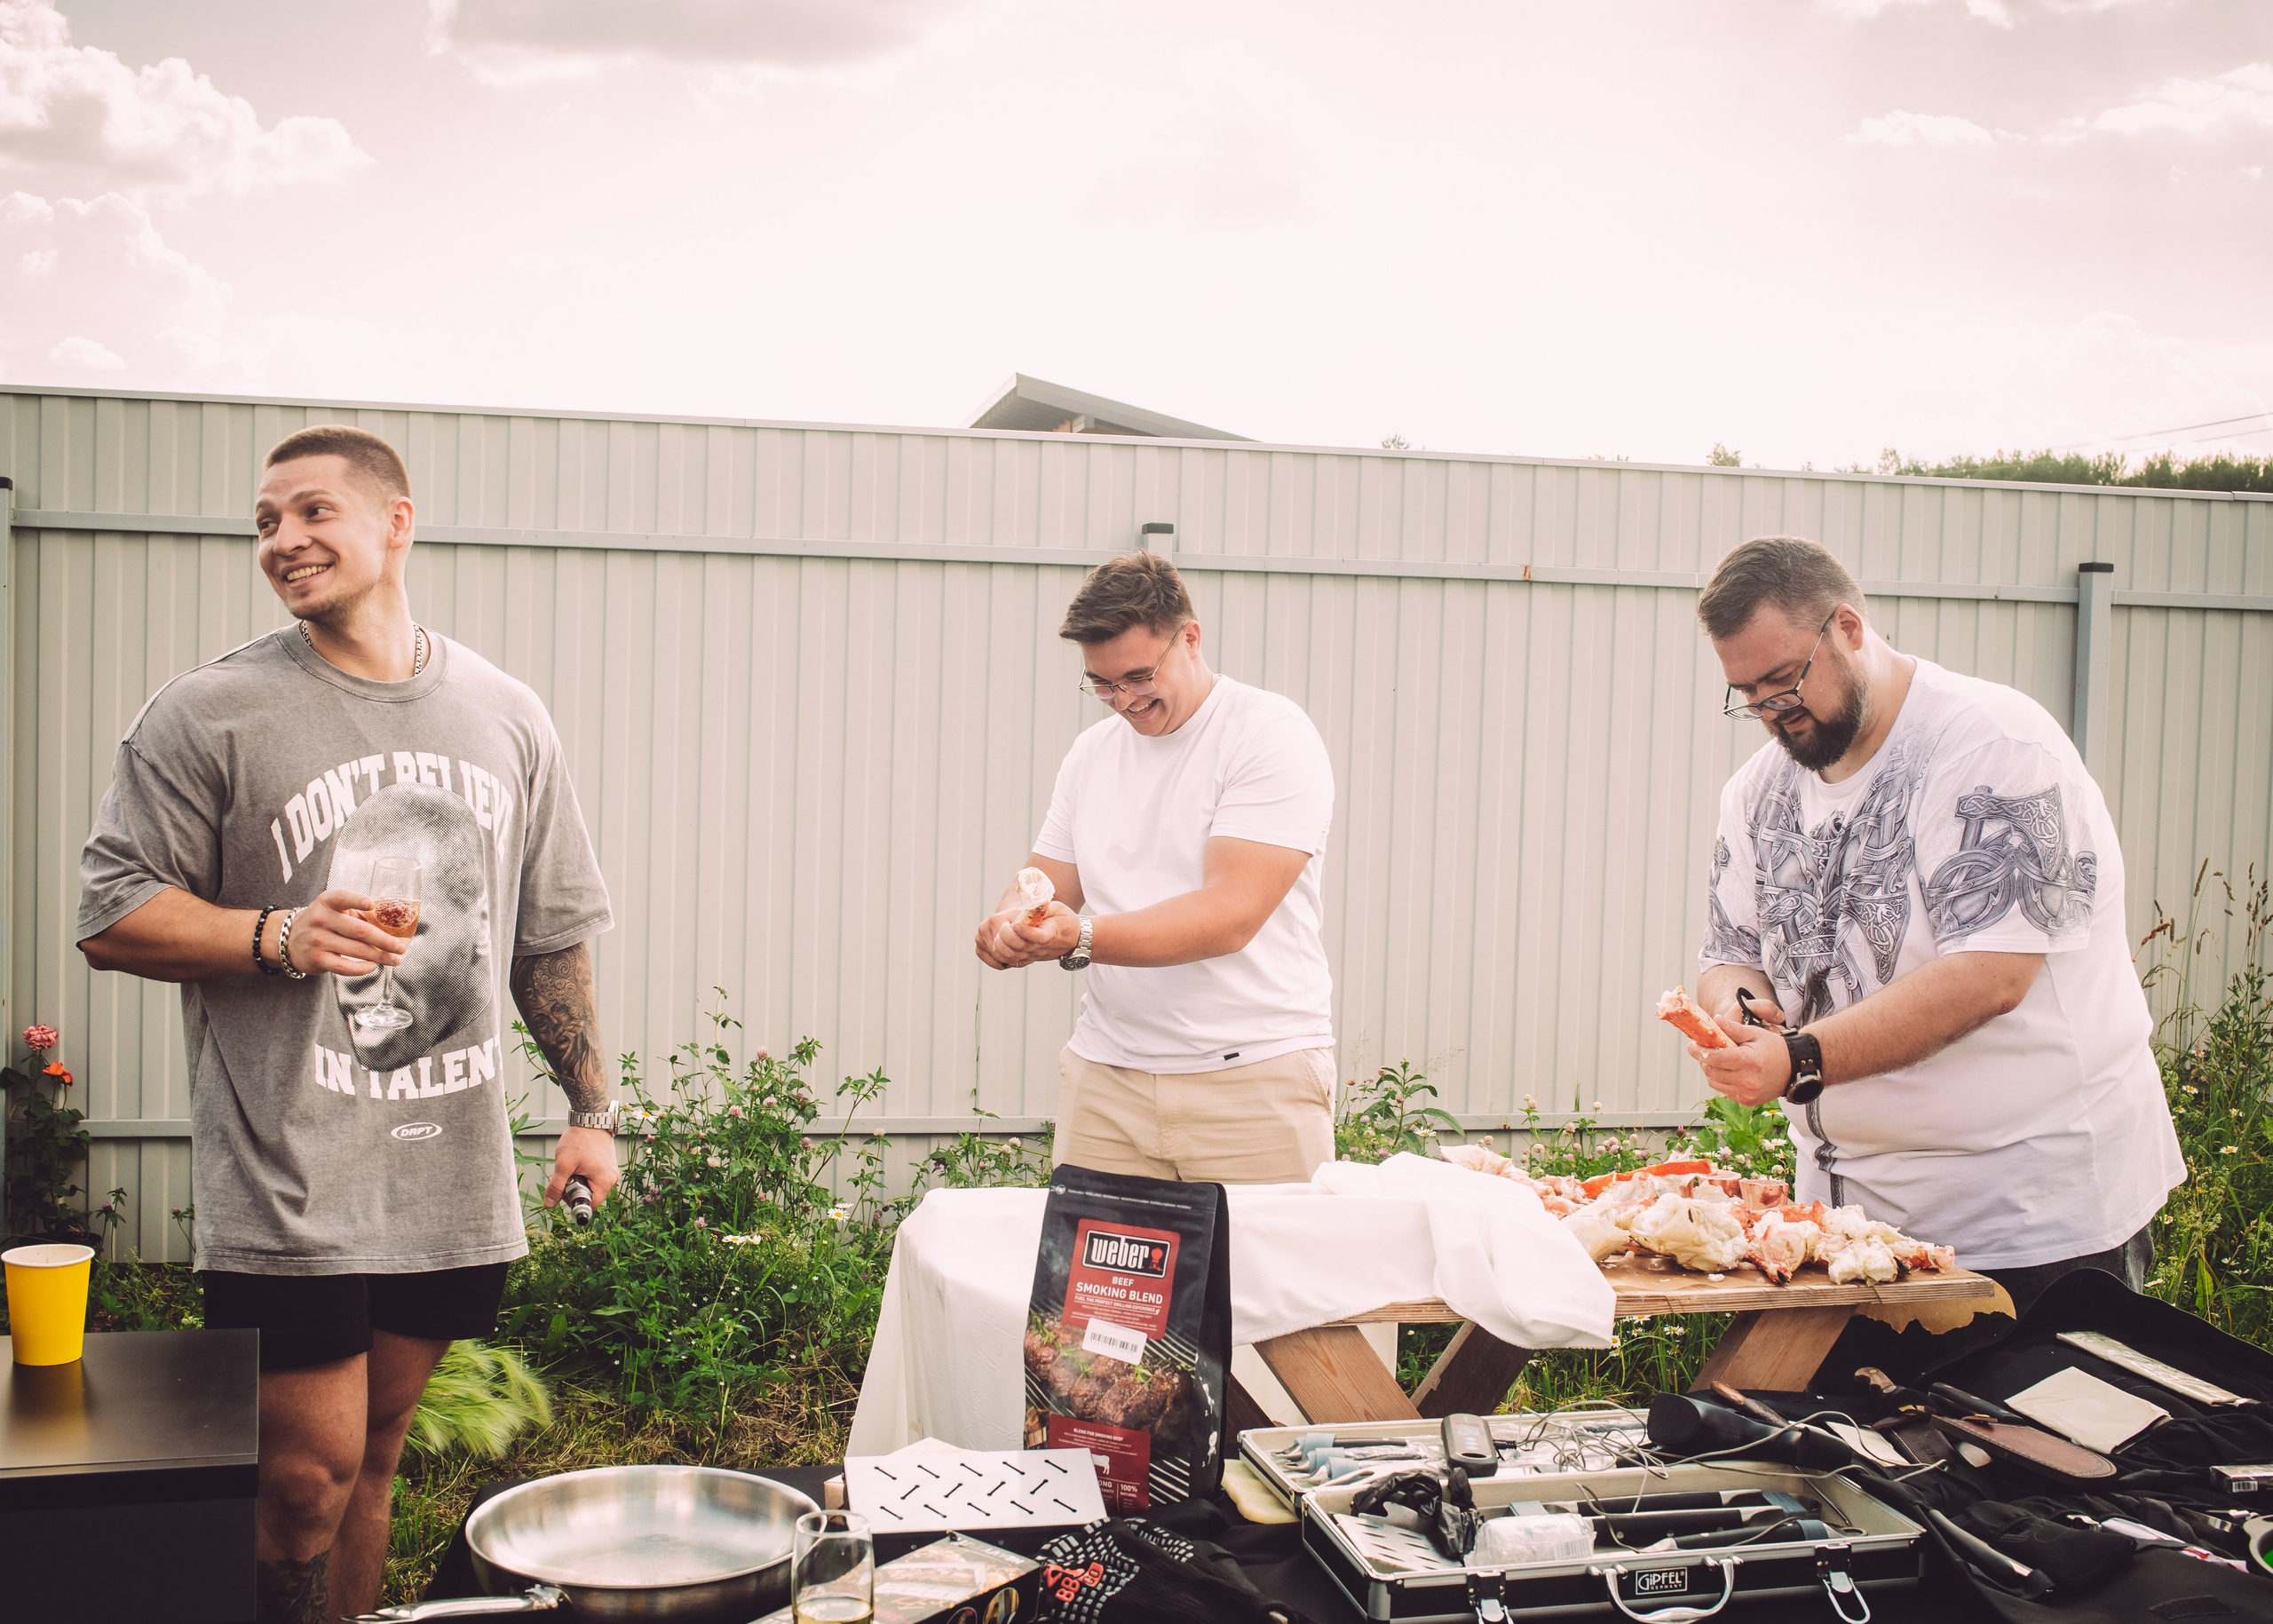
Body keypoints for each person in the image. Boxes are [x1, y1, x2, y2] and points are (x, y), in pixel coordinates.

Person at [75, 425, 618, 1624]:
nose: (284, 540)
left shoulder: (505, 711)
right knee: (302, 1482)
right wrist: (279, 933)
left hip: (449, 1170)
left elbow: (548, 932)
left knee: (373, 1458)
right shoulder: (211, 711)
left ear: (396, 521)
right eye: (267, 521)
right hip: (292, 1171)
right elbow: (111, 914)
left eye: (313, 511)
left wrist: (592, 1108)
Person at [1685, 535, 2182, 1315]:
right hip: (1847, 1226)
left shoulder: (1993, 745)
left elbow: (1991, 976)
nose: (1771, 711)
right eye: (1748, 693)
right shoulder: (1756, 791)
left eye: (1784, 680)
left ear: (1848, 627)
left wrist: (1800, 1059)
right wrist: (1737, 1009)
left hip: (2031, 1224)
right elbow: (1730, 953)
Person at [972, 551, 1338, 1184]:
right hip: (1107, 1081)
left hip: (1253, 1080)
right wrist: (1009, 925)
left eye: (1138, 676)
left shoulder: (1269, 734)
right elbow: (1044, 884)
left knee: (1265, 1257)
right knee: (1089, 1259)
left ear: (1190, 639)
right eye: (1101, 684)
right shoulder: (1091, 754)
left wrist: (1079, 937)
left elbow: (1230, 916)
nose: (1123, 701)